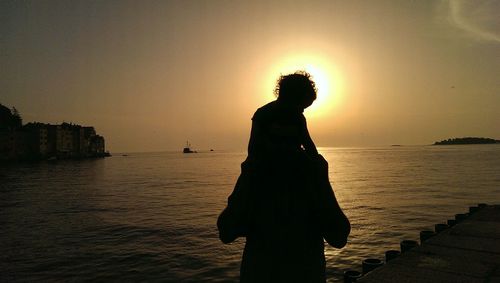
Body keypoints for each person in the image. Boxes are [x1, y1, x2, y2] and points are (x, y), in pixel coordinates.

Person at [217, 71, 350, 283]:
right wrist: (317, 170)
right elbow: (339, 236)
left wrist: (316, 172)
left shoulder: (265, 174)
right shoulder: (268, 173)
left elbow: (227, 231)